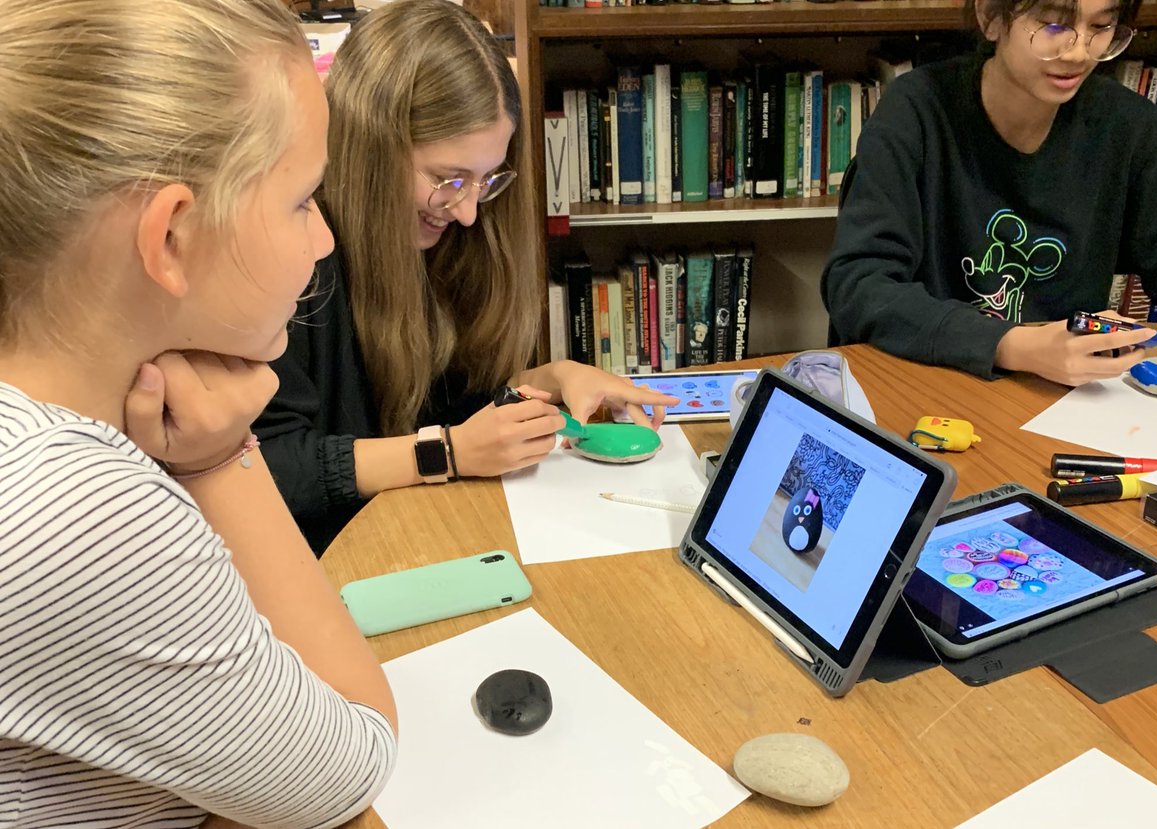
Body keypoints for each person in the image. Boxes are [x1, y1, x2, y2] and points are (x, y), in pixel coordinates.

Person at [0, 1, 397, 825]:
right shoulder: (75, 508)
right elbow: (348, 768)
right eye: (302, 200)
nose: (323, 240)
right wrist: (221, 458)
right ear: (173, 235)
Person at [255, 0, 677, 554]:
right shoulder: (291, 255)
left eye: (486, 180)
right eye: (448, 179)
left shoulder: (437, 239)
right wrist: (446, 452)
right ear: (371, 151)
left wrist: (546, 380)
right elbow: (263, 468)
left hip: (404, 539)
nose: (469, 213)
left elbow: (428, 402)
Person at [820, 0, 1157, 386]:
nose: (1078, 51)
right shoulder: (916, 109)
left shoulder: (1130, 128)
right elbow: (860, 286)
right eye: (1053, 26)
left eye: (1101, 27)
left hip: (1058, 399)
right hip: (926, 381)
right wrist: (1013, 345)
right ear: (990, 17)